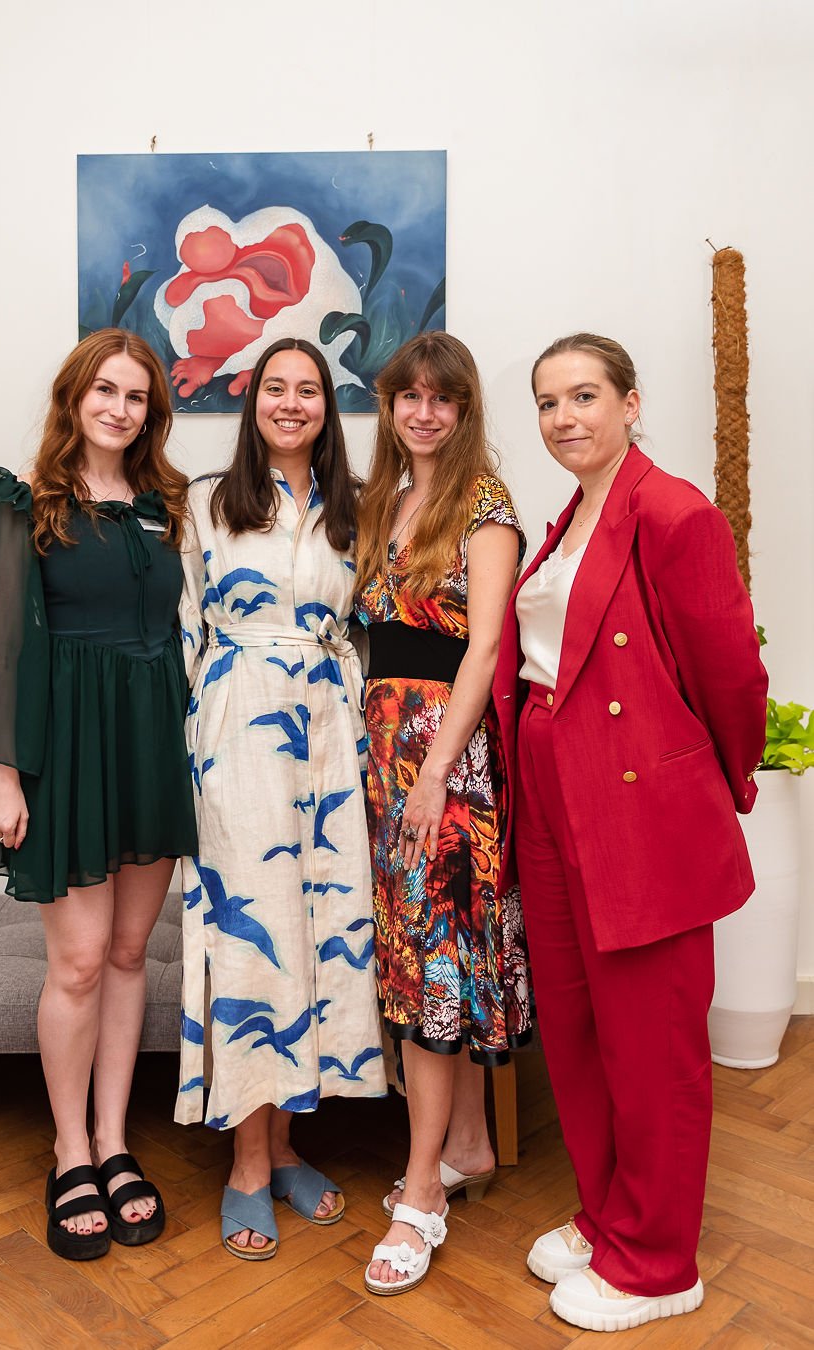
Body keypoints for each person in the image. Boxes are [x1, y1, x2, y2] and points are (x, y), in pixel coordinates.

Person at [493, 333, 768, 1332]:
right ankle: (610, 1217)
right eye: (547, 402)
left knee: (651, 1042)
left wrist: (714, 780)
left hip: (633, 805)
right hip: (554, 790)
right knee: (576, 1027)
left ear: (629, 401)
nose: (565, 417)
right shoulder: (574, 514)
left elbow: (731, 674)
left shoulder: (671, 510)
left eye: (583, 396)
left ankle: (658, 1262)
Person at [0, 329, 197, 1261]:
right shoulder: (27, 505)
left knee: (131, 953)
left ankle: (116, 1141)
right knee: (80, 962)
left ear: (150, 413)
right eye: (105, 391)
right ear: (75, 397)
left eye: (135, 397)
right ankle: (67, 1150)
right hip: (69, 750)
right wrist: (4, 773)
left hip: (149, 745)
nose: (118, 409)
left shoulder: (167, 504)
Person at [178, 337, 387, 1261]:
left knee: (319, 931)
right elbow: (184, 630)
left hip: (332, 740)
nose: (292, 403)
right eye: (275, 388)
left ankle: (290, 1143)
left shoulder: (357, 513)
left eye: (308, 389)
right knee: (250, 934)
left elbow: (371, 636)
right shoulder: (201, 505)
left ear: (326, 406)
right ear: (250, 401)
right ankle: (247, 1168)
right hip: (236, 733)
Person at [354, 331, 530, 1296]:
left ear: (463, 411)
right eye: (409, 397)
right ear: (389, 406)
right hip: (384, 755)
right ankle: (467, 1145)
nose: (424, 412)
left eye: (443, 399)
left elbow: (484, 647)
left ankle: (421, 1194)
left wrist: (435, 770)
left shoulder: (482, 504)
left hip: (444, 763)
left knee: (432, 960)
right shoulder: (384, 501)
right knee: (433, 955)